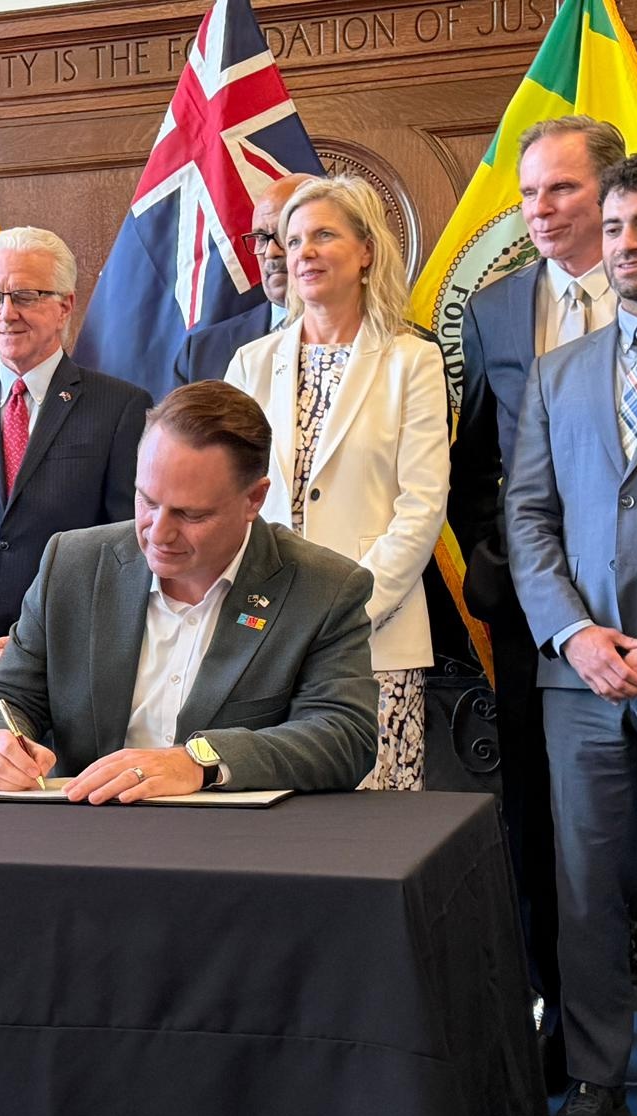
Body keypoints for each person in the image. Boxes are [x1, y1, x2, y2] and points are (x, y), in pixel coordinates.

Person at [450, 116, 637, 1101]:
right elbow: (502, 493)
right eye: (612, 227)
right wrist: (550, 620)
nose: (622, 244)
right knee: (572, 875)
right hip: (563, 661)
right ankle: (585, 1065)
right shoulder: (528, 344)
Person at [0, 381, 376, 798]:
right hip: (83, 836)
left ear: (255, 499)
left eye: (191, 514)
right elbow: (7, 694)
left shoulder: (324, 588)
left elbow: (342, 735)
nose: (159, 533)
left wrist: (199, 761)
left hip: (237, 847)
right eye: (147, 501)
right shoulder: (72, 563)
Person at [224, 175, 448, 790]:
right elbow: (229, 501)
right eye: (293, 241)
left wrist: (345, 615)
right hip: (262, 638)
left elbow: (422, 507)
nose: (303, 253)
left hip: (375, 641)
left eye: (324, 235)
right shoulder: (251, 362)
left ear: (367, 249)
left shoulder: (413, 360)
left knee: (369, 838)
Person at [0, 226, 153, 777]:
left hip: (73, 674)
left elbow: (126, 547)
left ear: (65, 305)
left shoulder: (120, 408)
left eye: (25, 295)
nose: (5, 312)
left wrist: (48, 643)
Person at [174, 172, 316, 386]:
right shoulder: (202, 352)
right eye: (261, 238)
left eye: (285, 235)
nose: (270, 252)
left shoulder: (375, 333)